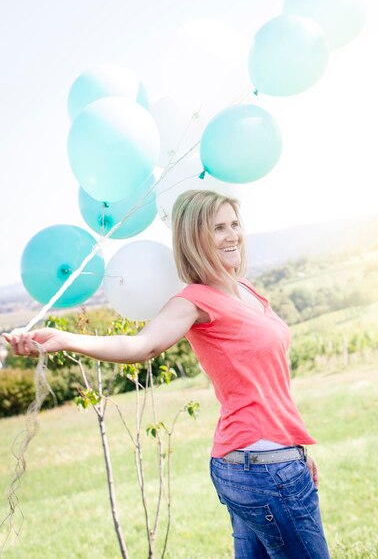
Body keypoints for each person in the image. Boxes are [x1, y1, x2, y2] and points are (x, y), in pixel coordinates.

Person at [4, 189, 330, 559]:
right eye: (217, 228)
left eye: (234, 224)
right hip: (261, 470)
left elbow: (271, 385)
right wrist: (64, 339)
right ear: (194, 239)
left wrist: (295, 451)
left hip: (268, 462)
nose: (232, 235)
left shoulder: (246, 290)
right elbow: (140, 347)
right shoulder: (194, 301)